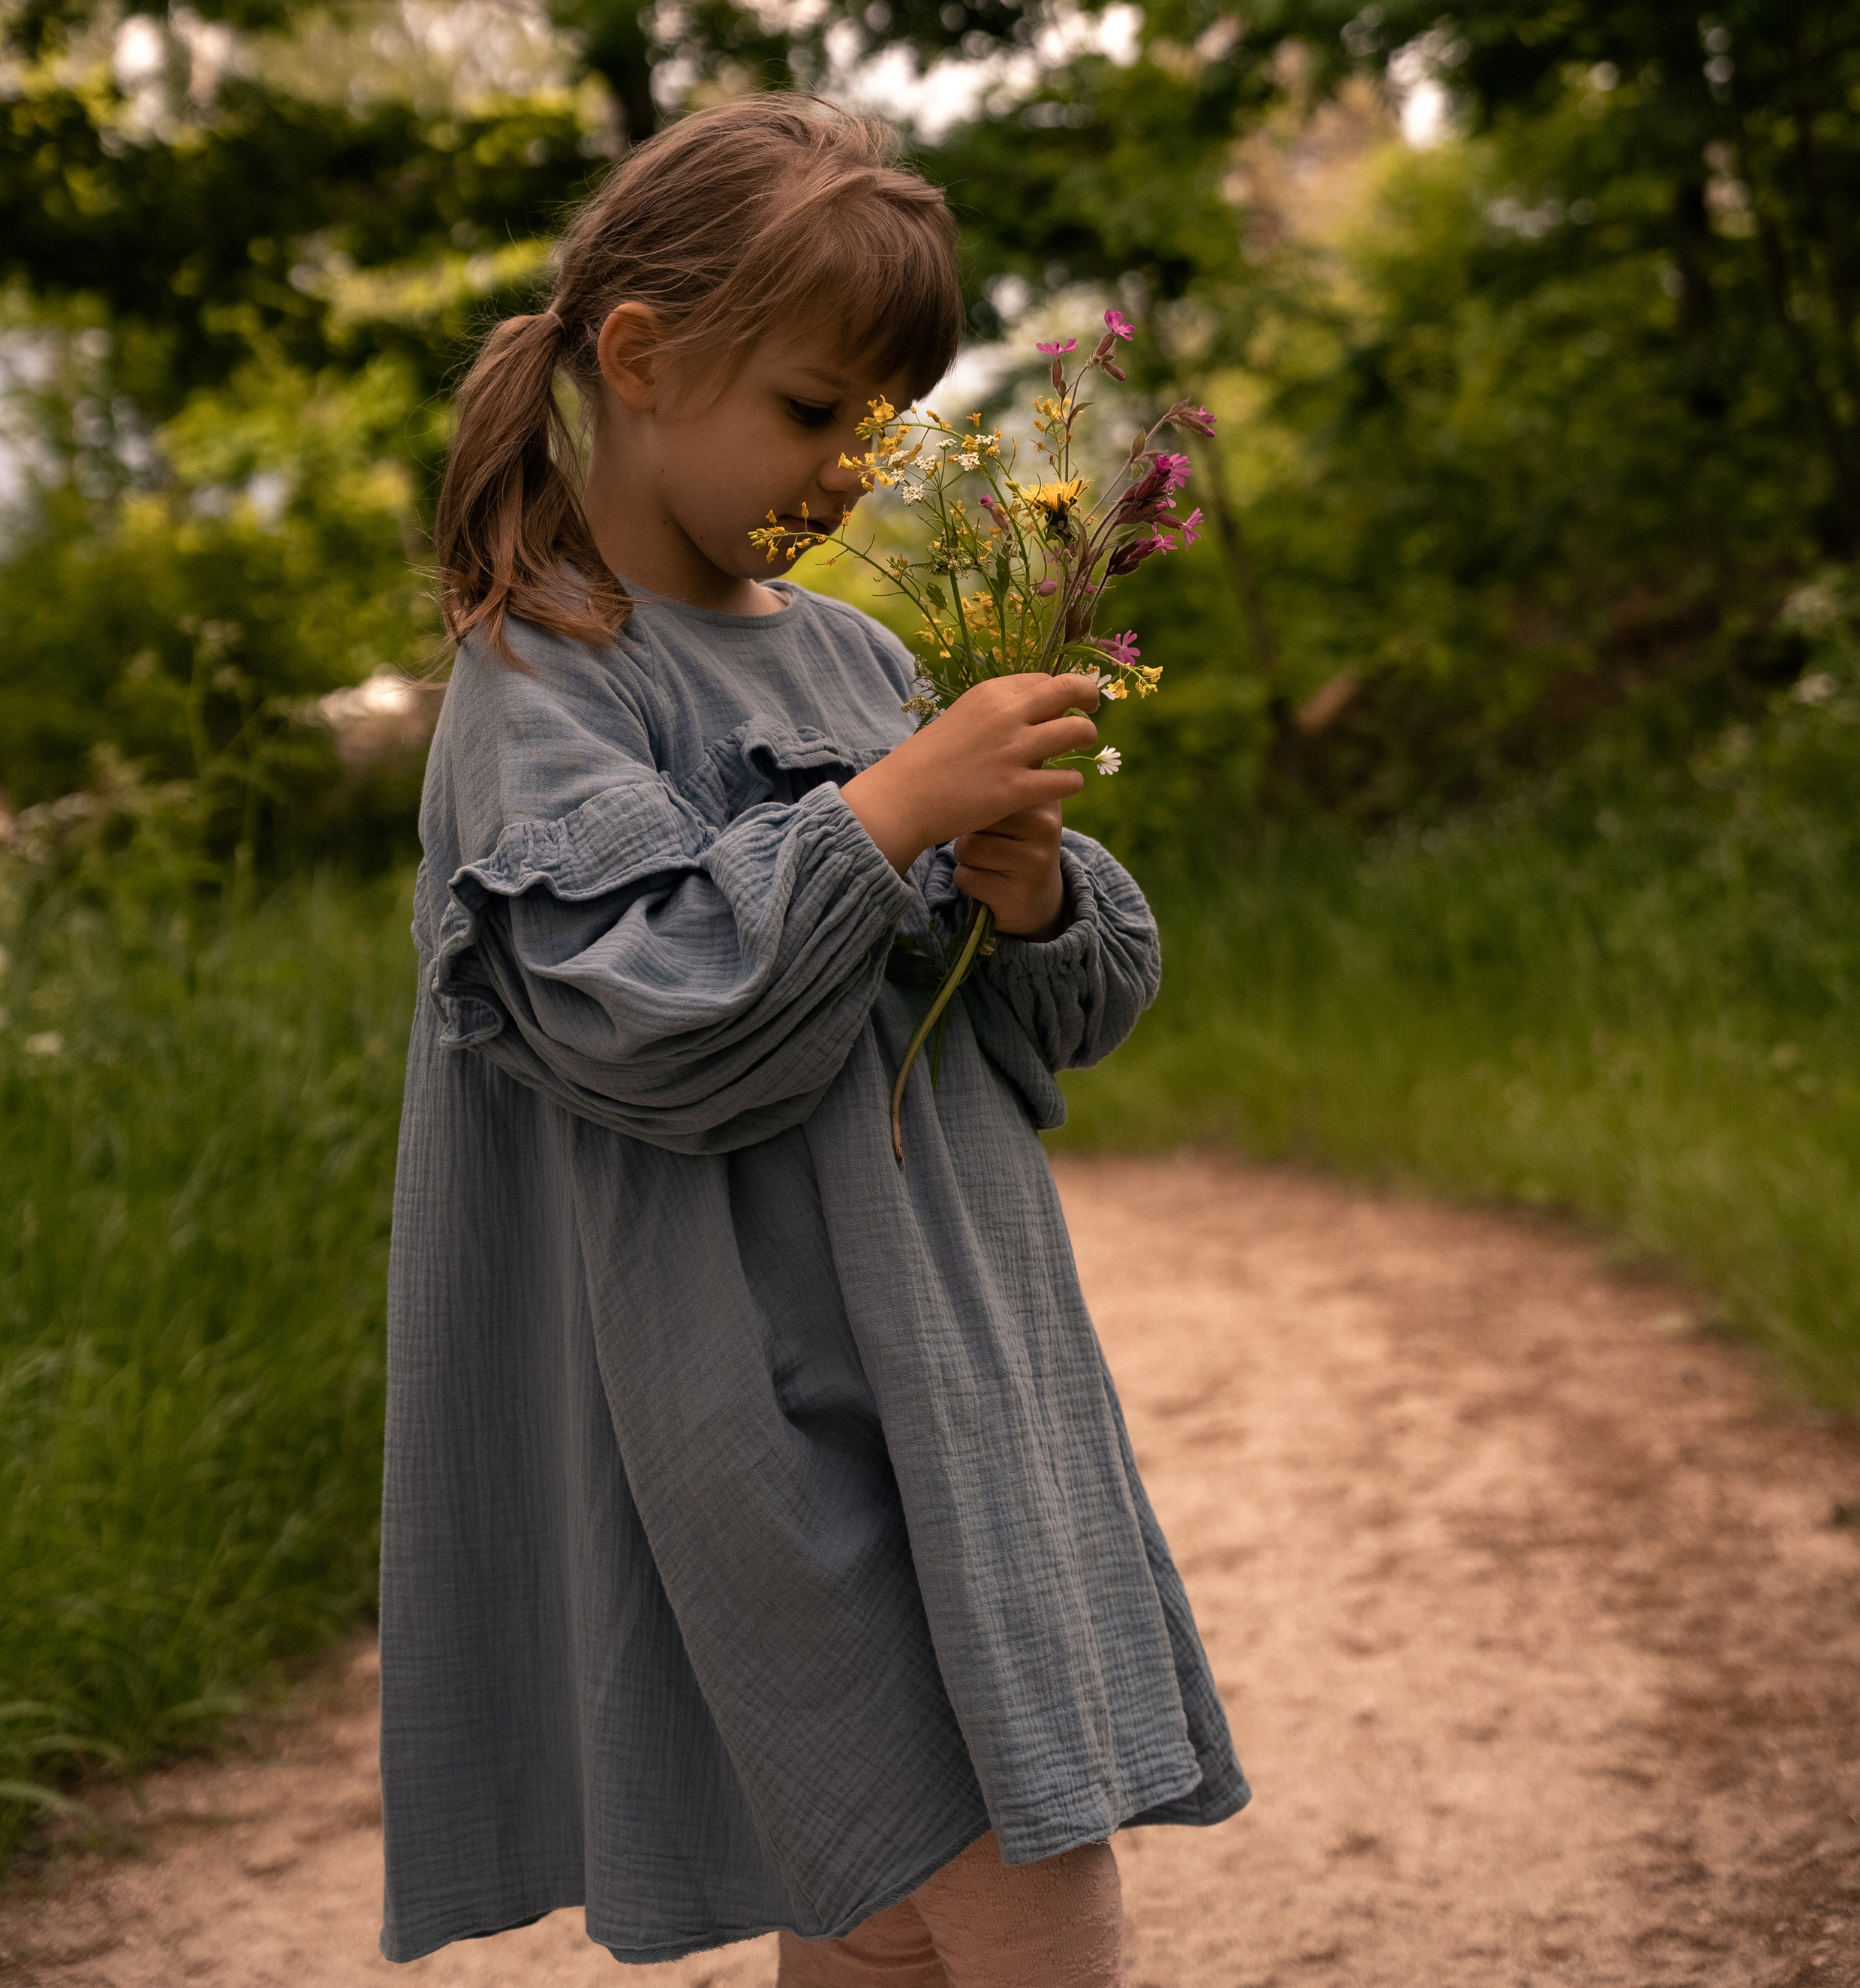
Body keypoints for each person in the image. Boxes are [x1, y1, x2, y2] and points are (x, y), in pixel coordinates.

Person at [378, 98, 1248, 1983]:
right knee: (1013, 1868)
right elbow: (643, 1019)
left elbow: (1042, 1029)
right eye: (811, 410)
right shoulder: (542, 682)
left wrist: (1017, 885)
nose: (854, 468)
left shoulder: (862, 666)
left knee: (869, 1911)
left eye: (882, 420)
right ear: (639, 357)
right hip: (747, 1397)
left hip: (948, 1355)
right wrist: (882, 820)